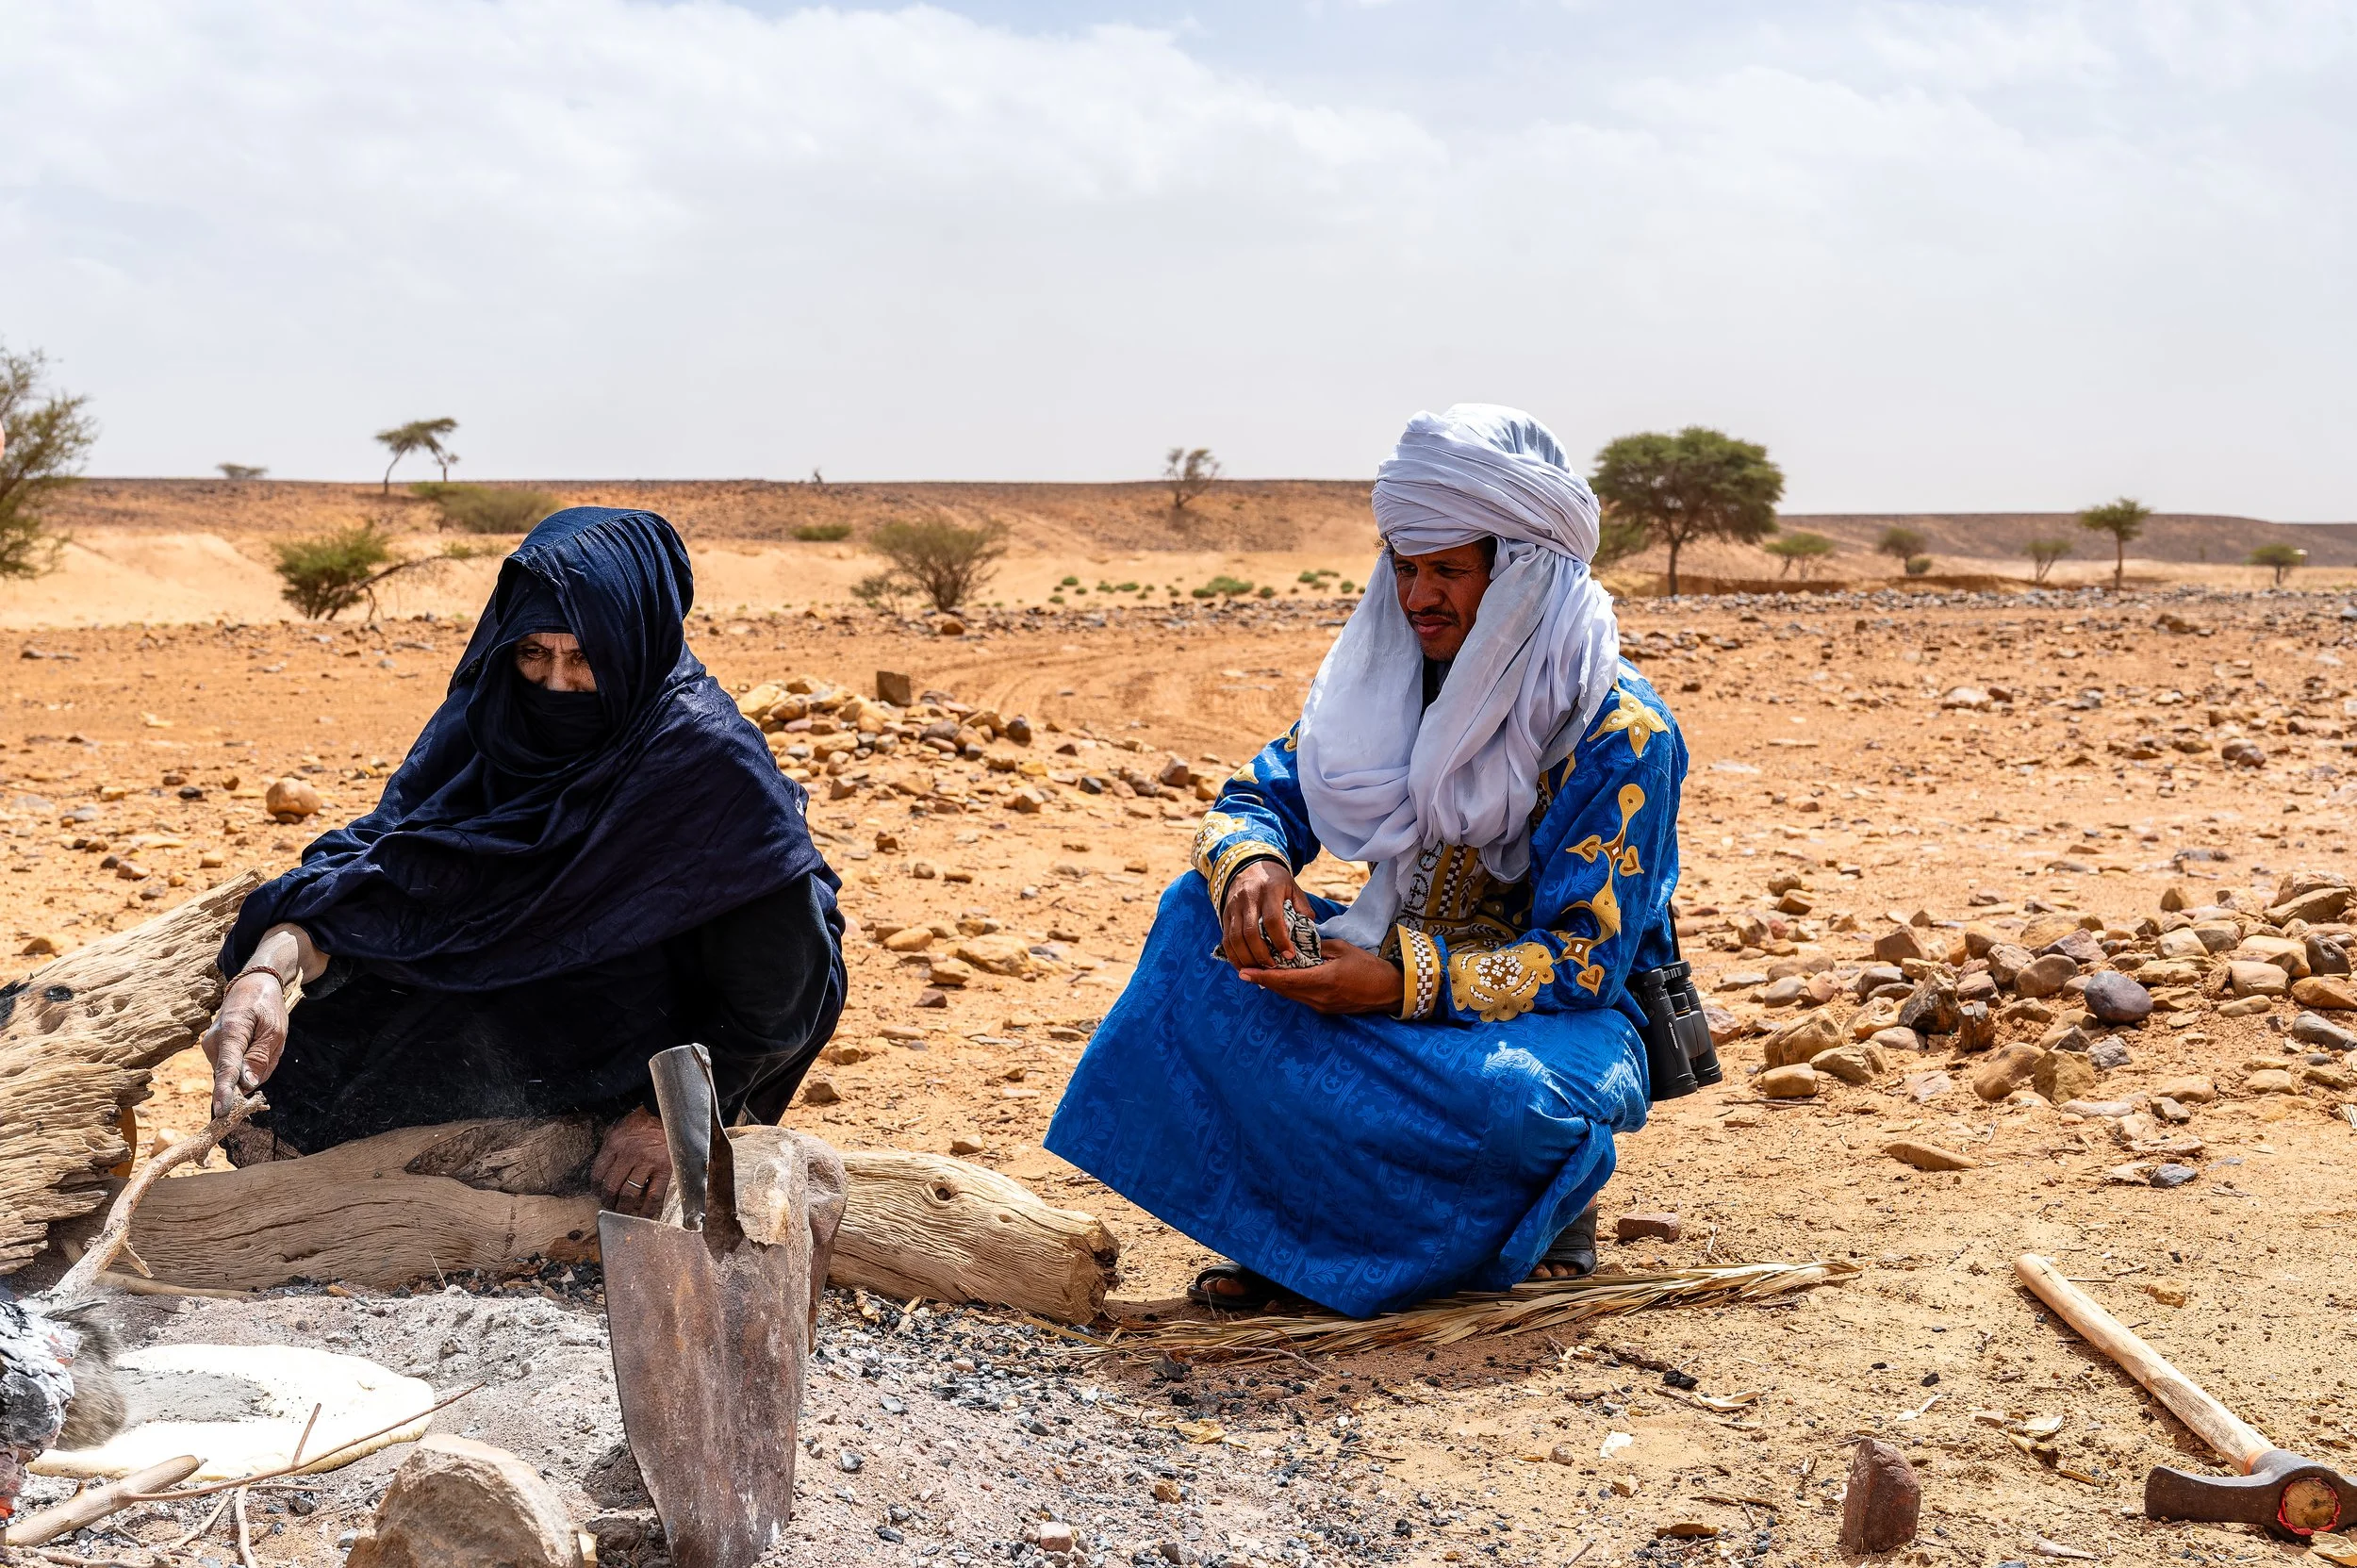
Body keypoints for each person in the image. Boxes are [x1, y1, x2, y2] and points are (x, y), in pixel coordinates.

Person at [1045, 405, 1688, 1318]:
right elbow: (1252, 801)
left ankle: (1537, 1216)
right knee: (1197, 923)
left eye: (1446, 571)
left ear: (1515, 573)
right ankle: (1309, 1237)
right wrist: (1252, 867)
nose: (1417, 596)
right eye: (1404, 566)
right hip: (1384, 991)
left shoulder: (1621, 733)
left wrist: (1395, 985)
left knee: (1514, 1105)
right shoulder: (1389, 680)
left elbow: (1582, 964)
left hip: (1550, 1029)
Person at [204, 506, 845, 1215]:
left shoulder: (707, 765)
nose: (555, 687)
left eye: (584, 661)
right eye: (534, 653)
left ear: (634, 642)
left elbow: (782, 991)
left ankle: (599, 1128)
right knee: (312, 1086)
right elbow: (388, 862)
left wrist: (676, 1112)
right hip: (526, 978)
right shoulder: (494, 717)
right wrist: (269, 967)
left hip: (662, 1016)